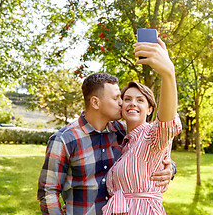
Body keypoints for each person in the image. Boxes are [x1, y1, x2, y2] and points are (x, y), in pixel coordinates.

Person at [37, 72, 176, 215]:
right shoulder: (64, 140)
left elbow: (149, 153)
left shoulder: (122, 131)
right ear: (95, 102)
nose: (122, 103)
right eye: (117, 98)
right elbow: (48, 192)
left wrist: (170, 168)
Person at [102, 38, 182, 214]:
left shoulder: (152, 135)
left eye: (140, 100)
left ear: (150, 109)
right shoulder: (124, 140)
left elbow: (166, 122)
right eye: (127, 99)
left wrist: (168, 73)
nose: (132, 103)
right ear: (121, 106)